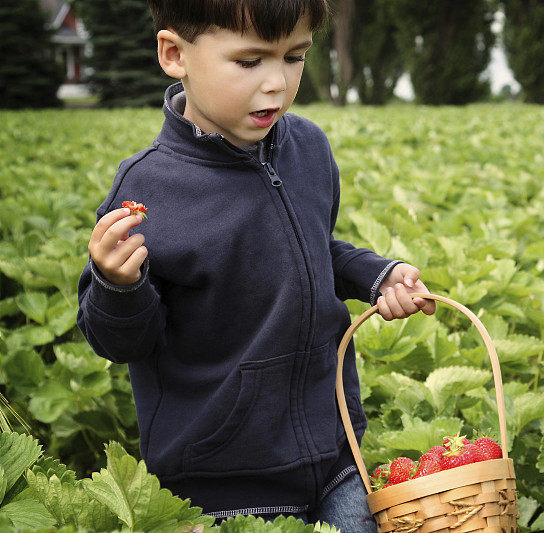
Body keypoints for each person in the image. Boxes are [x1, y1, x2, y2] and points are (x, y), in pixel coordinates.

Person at [75, 0, 435, 529]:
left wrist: (378, 274)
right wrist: (117, 286)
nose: (276, 84)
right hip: (221, 483)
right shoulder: (149, 190)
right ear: (175, 54)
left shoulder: (308, 147)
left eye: (295, 57)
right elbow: (122, 342)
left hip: (336, 456)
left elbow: (313, 248)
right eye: (249, 62)